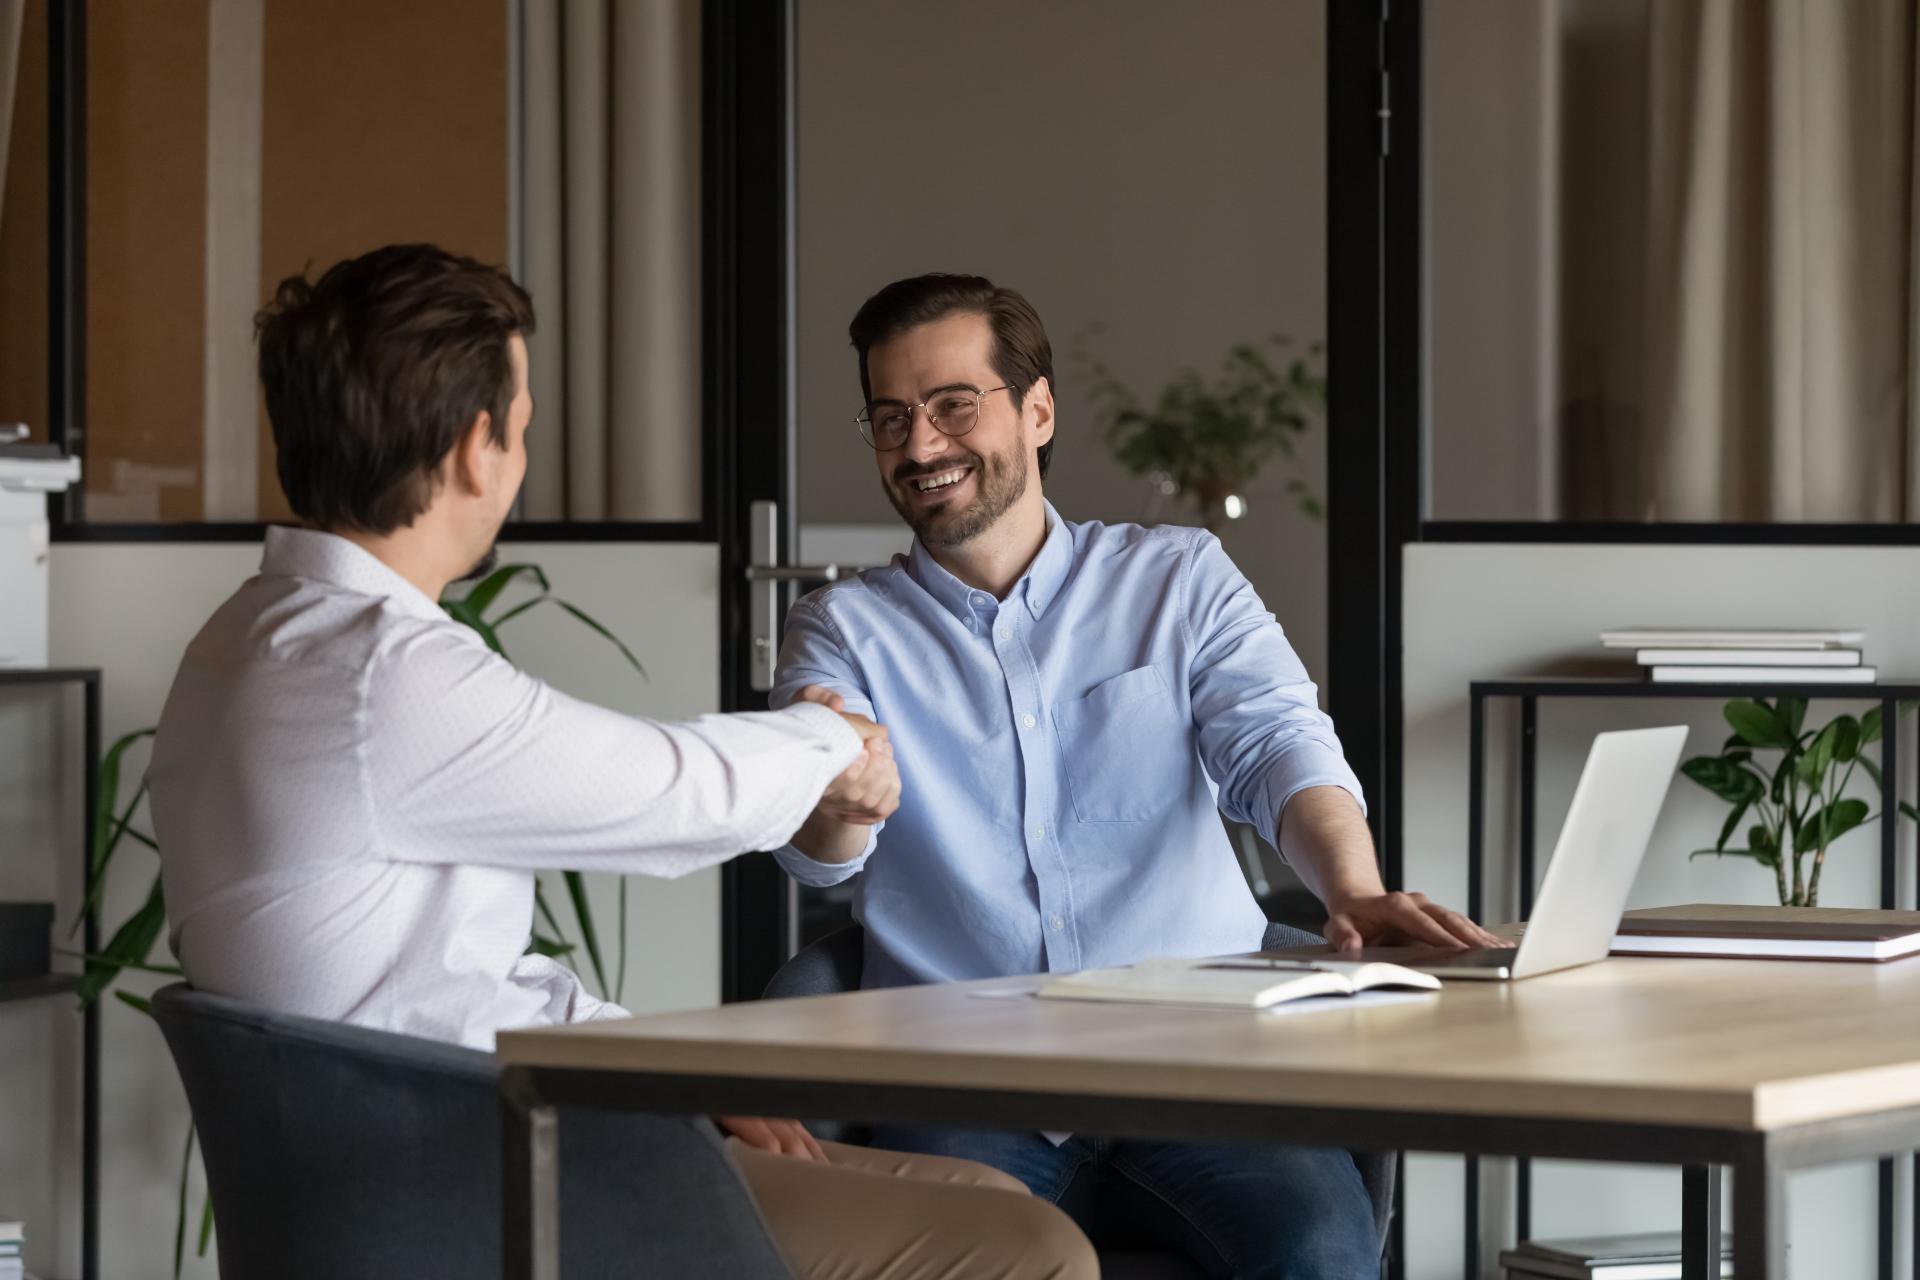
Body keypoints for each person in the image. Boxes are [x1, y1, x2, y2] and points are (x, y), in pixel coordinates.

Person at [148, 245, 1095, 1280]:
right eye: (523, 424)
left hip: (433, 1147)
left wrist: (675, 1075)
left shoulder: (247, 637)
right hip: (470, 1181)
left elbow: (446, 986)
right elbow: (670, 788)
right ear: (479, 448)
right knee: (1030, 1246)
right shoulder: (378, 670)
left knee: (989, 1198)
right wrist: (840, 742)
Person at [771, 273, 1505, 1280]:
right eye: (892, 417)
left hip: (1203, 1068)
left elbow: (1277, 740)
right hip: (966, 1081)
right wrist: (834, 807)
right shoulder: (840, 628)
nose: (922, 444)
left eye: (952, 405)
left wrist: (1354, 887)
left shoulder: (1179, 576)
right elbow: (818, 851)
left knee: (1320, 1253)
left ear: (1037, 410)